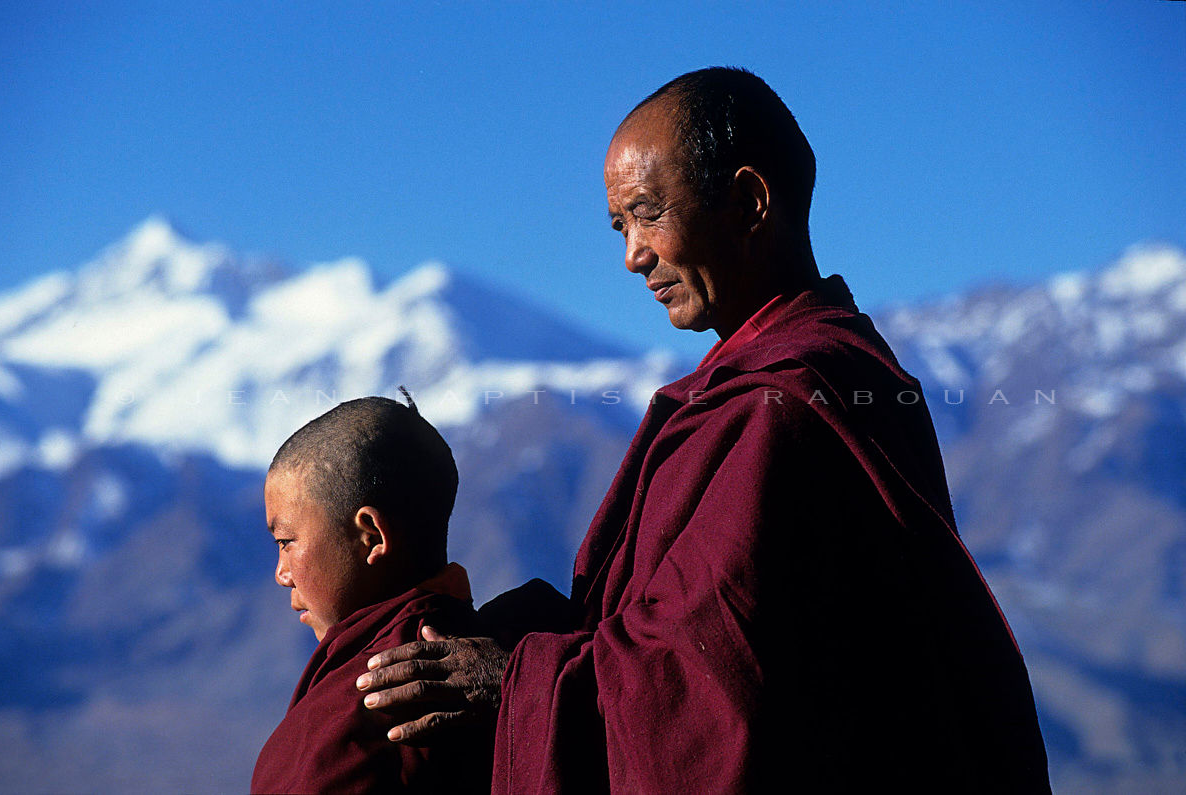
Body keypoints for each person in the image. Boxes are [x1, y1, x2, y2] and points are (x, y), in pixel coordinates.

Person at [356, 68, 1051, 792]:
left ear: (749, 203)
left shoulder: (784, 406)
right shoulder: (818, 375)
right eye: (620, 226)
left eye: (648, 213)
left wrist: (515, 680)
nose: (631, 256)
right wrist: (518, 632)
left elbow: (708, 686)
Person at [252, 395, 490, 794]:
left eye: (286, 541)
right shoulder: (491, 644)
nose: (282, 574)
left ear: (371, 537)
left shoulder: (371, 705)